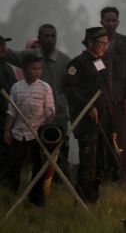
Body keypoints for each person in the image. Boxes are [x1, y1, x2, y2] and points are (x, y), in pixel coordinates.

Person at [4, 24, 72, 179]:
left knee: (59, 154)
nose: (49, 39)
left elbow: (71, 86)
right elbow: (10, 55)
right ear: (39, 38)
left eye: (52, 36)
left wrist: (62, 102)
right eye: (46, 36)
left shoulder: (64, 60)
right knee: (35, 157)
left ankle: (58, 187)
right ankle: (32, 187)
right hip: (32, 121)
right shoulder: (30, 56)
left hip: (58, 117)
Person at [63, 27, 111, 203]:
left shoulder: (100, 62)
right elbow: (69, 89)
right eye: (101, 43)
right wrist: (88, 106)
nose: (105, 46)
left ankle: (93, 198)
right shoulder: (77, 64)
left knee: (99, 162)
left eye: (107, 43)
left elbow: (106, 89)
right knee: (88, 161)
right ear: (90, 42)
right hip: (86, 120)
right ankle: (82, 198)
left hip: (103, 120)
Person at [2, 54, 55, 206]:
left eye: (39, 69)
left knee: (39, 167)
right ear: (24, 70)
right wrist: (7, 131)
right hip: (19, 133)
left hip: (37, 134)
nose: (37, 72)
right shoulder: (16, 87)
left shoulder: (45, 88)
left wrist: (49, 115)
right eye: (33, 69)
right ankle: (10, 196)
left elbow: (50, 112)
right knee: (14, 164)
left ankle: (35, 198)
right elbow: (11, 112)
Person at [100, 6, 126, 182]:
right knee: (104, 138)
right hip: (102, 100)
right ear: (101, 22)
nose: (110, 23)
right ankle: (106, 177)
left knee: (123, 140)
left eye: (114, 20)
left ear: (118, 22)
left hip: (122, 99)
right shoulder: (97, 42)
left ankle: (123, 178)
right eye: (107, 20)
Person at [0, 35, 18, 165]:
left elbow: (14, 91)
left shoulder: (7, 67)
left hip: (6, 115)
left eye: (3, 45)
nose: (3, 48)